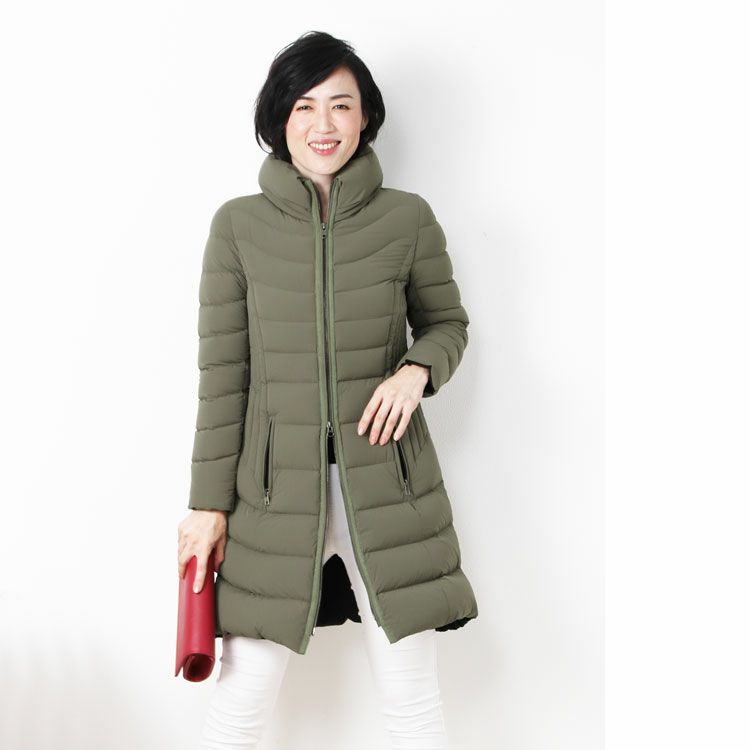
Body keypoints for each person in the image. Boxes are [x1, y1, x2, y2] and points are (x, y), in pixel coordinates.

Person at [177, 30, 478, 750]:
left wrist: (416, 371)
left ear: (365, 116)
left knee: (412, 705)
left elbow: (448, 325)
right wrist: (207, 506)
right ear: (279, 118)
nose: (324, 124)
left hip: (392, 490)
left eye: (341, 105)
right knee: (240, 705)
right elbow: (223, 378)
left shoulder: (407, 218)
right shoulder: (238, 228)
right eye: (304, 106)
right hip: (272, 499)